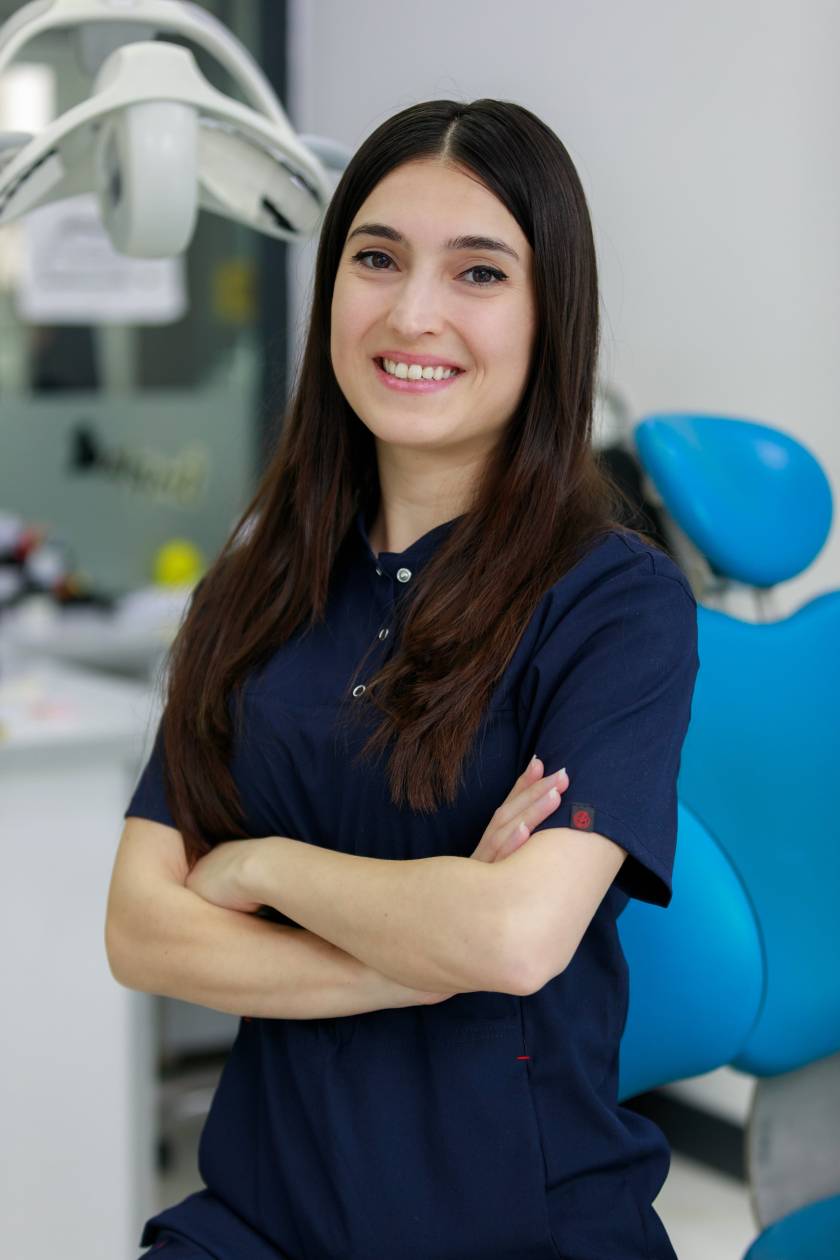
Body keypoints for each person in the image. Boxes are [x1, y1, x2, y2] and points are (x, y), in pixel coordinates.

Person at [106, 97, 700, 1260]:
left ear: (549, 315)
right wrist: (418, 955)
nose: (412, 312)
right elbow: (142, 933)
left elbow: (513, 941)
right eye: (376, 259)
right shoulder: (255, 593)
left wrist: (261, 866)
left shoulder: (615, 604)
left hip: (520, 1227)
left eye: (478, 273)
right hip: (260, 1221)